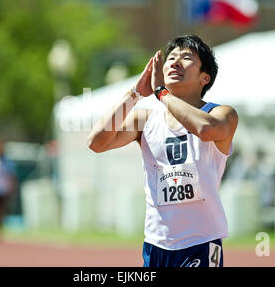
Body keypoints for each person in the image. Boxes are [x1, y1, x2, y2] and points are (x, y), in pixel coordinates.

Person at [88, 35, 238, 267]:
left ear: (204, 78)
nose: (176, 62)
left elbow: (205, 130)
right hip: (156, 245)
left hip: (202, 242)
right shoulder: (145, 119)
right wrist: (136, 93)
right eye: (171, 58)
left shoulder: (222, 113)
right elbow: (96, 142)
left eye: (187, 58)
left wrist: (162, 93)